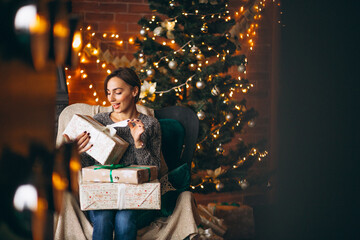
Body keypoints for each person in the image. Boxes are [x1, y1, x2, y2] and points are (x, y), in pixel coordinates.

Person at [64, 67, 162, 240]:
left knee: (124, 220)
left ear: (134, 91)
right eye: (108, 92)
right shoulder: (99, 121)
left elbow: (155, 170)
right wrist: (77, 154)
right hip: (102, 193)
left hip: (134, 196)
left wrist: (139, 143)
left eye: (117, 92)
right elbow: (89, 166)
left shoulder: (149, 124)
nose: (111, 99)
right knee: (102, 218)